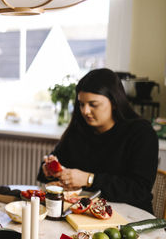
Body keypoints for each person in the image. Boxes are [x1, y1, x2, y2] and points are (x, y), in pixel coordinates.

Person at [37, 68, 158, 214]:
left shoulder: (141, 132)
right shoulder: (78, 129)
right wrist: (50, 170)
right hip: (86, 213)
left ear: (114, 102)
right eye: (81, 104)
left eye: (93, 104)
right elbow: (46, 173)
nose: (85, 111)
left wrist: (89, 179)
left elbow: (139, 189)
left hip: (132, 216)